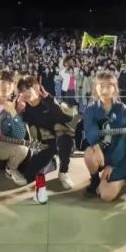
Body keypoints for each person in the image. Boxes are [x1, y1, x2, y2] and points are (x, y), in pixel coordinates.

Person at [16, 75, 75, 204]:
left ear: (37, 87)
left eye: (27, 89)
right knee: (28, 175)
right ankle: (51, 162)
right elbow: (23, 130)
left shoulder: (47, 100)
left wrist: (48, 98)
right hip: (43, 143)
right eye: (22, 91)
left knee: (64, 141)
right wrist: (18, 110)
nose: (25, 93)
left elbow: (63, 118)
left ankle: (63, 172)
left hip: (60, 137)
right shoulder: (26, 109)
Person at [82, 71, 126, 202]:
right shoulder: (91, 108)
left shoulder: (122, 109)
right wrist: (97, 148)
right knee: (89, 154)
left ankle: (116, 179)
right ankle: (95, 180)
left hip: (118, 156)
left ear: (115, 88)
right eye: (101, 86)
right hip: (101, 151)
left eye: (109, 86)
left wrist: (111, 165)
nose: (104, 90)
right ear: (96, 87)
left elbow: (124, 140)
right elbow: (90, 129)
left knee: (106, 196)